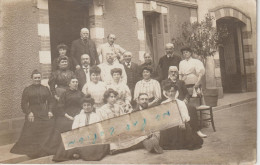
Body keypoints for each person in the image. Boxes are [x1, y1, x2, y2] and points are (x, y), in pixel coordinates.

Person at [10, 70, 54, 158]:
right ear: (32, 78)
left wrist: (50, 111)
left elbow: (51, 101)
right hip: (33, 112)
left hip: (44, 111)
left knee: (51, 124)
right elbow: (23, 104)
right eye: (35, 78)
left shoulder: (45, 88)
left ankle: (46, 146)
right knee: (33, 126)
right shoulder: (27, 90)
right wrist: (29, 113)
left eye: (39, 77)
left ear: (41, 78)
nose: (37, 79)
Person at [52, 95, 109, 162]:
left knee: (100, 145)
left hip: (93, 136)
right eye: (84, 105)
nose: (86, 107)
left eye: (88, 105)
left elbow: (99, 128)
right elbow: (74, 129)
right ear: (82, 106)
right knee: (67, 141)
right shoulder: (78, 117)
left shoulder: (96, 116)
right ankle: (77, 153)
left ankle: (79, 153)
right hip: (81, 136)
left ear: (92, 106)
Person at [41, 77, 85, 155]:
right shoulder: (65, 94)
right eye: (73, 82)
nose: (75, 83)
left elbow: (84, 105)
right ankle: (62, 150)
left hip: (79, 114)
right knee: (63, 125)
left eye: (76, 82)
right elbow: (60, 107)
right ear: (69, 84)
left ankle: (78, 150)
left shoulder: (81, 94)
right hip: (66, 114)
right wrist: (68, 116)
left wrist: (79, 115)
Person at [161, 66, 207, 138]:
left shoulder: (181, 82)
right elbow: (164, 95)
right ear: (168, 73)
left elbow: (186, 94)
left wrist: (185, 100)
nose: (173, 73)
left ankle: (197, 130)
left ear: (178, 73)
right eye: (171, 72)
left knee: (192, 109)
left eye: (175, 72)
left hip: (182, 102)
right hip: (170, 103)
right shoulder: (164, 82)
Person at [160, 82, 203, 150]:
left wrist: (182, 122)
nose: (171, 93)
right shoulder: (163, 103)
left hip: (180, 123)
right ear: (166, 93)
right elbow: (163, 116)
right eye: (169, 91)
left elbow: (185, 115)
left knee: (186, 129)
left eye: (172, 91)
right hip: (169, 124)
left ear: (176, 92)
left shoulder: (181, 103)